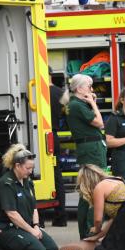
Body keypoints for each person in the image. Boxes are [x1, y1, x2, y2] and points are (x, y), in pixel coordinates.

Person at [0, 145, 58, 250]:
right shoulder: (6, 184)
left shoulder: (28, 182)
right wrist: (31, 231)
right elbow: (12, 214)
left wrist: (36, 226)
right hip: (3, 228)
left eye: (32, 168)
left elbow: (34, 207)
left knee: (51, 249)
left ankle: (21, 245)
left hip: (23, 226)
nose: (30, 171)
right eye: (27, 168)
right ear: (17, 166)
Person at [65, 73, 106, 239]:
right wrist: (93, 103)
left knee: (88, 191)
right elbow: (99, 122)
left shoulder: (76, 104)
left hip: (91, 147)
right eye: (89, 86)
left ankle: (87, 231)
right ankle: (90, 230)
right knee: (93, 190)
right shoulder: (77, 105)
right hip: (91, 149)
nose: (92, 89)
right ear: (80, 88)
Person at [49, 68, 68, 227]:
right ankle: (61, 217)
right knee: (56, 174)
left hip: (38, 135)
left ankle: (38, 219)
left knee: (33, 175)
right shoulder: (60, 93)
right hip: (53, 136)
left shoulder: (35, 92)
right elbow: (66, 113)